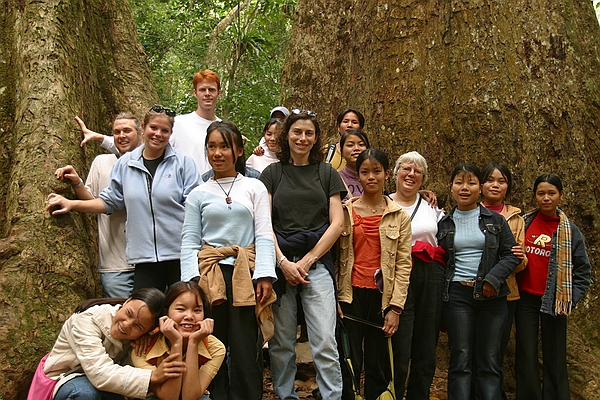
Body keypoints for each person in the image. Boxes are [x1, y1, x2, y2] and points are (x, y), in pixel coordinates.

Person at [47, 105, 200, 291]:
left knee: (181, 311)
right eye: (153, 128)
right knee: (143, 314)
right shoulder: (126, 164)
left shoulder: (183, 163)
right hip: (144, 259)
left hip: (180, 256)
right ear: (143, 128)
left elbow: (195, 208)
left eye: (165, 130)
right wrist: (71, 203)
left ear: (170, 133)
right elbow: (108, 201)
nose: (158, 134)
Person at [180, 120, 276, 400]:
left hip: (246, 274)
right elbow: (188, 241)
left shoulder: (254, 187)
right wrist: (192, 283)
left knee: (247, 346)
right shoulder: (198, 193)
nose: (217, 153)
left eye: (224, 146)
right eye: (212, 146)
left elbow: (264, 233)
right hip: (210, 275)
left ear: (238, 151)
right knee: (212, 343)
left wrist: (265, 275)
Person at [260, 109, 346, 400]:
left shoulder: (326, 173)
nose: (303, 138)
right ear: (287, 136)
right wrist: (283, 263)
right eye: (297, 132)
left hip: (316, 265)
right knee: (282, 341)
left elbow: (337, 223)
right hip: (281, 264)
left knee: (324, 339)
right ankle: (286, 395)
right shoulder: (272, 173)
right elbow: (263, 222)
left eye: (309, 132)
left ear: (316, 137)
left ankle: (331, 395)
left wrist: (308, 260)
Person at [437, 163, 520, 400]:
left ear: (480, 188)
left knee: (490, 361)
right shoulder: (443, 222)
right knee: (461, 359)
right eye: (459, 182)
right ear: (451, 187)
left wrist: (493, 278)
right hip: (457, 297)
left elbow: (512, 254)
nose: (465, 188)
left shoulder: (495, 220)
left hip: (492, 298)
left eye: (471, 182)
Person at [336, 148, 412, 399]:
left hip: (382, 299)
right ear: (357, 175)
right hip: (350, 296)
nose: (371, 177)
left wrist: (396, 308)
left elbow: (403, 264)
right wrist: (334, 297)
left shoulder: (399, 216)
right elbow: (336, 258)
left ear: (386, 174)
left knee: (378, 365)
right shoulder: (345, 212)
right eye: (365, 172)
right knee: (349, 361)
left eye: (376, 171)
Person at [515, 174, 591, 400]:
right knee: (526, 354)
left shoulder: (570, 231)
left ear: (561, 195)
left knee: (555, 356)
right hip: (525, 299)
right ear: (535, 196)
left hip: (556, 300)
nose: (546, 198)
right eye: (541, 193)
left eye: (551, 193)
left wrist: (568, 299)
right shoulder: (524, 223)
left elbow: (583, 273)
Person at [53, 114, 142, 298]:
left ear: (139, 133)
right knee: (119, 318)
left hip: (148, 262)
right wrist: (77, 183)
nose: (122, 136)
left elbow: (116, 202)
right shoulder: (102, 162)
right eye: (117, 132)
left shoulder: (150, 165)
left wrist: (101, 138)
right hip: (114, 263)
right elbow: (93, 202)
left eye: (127, 130)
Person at [81, 70, 222, 175]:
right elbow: (144, 148)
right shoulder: (180, 124)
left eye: (212, 90)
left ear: (219, 93)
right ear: (195, 93)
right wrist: (101, 138)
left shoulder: (223, 128)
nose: (207, 93)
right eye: (203, 90)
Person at [36, 288, 167, 399]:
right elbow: (100, 374)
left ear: (147, 331)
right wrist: (152, 377)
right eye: (128, 313)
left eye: (138, 326)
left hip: (97, 383)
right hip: (61, 380)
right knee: (85, 392)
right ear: (127, 301)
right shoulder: (87, 320)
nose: (127, 325)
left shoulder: (138, 338)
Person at [388, 151, 445, 400]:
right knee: (400, 343)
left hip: (429, 275)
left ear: (423, 179)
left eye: (417, 171)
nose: (411, 174)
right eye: (406, 169)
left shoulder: (431, 206)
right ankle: (394, 393)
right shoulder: (384, 202)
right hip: (397, 275)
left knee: (426, 343)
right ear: (396, 173)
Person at [480, 161, 528, 400]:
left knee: (496, 351)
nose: (495, 185)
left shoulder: (516, 219)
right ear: (480, 185)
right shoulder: (470, 210)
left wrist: (510, 258)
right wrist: (505, 253)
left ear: (508, 186)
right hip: (473, 292)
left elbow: (521, 262)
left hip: (507, 294)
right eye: (490, 180)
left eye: (501, 181)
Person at [131, 281, 226, 400]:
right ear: (166, 312)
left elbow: (190, 397)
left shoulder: (215, 348)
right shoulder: (144, 346)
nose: (189, 316)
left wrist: (193, 342)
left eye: (197, 310)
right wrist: (176, 343)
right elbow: (168, 397)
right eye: (181, 309)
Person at [337, 129, 370, 201]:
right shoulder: (335, 179)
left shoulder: (376, 177)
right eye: (350, 145)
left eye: (361, 144)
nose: (356, 148)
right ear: (341, 151)